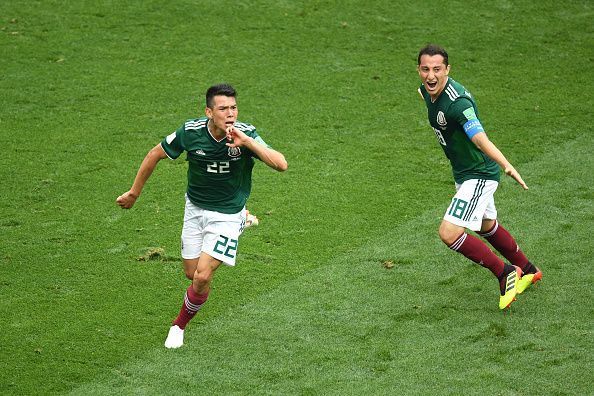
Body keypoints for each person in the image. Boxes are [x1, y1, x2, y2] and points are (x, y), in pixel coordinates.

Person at [116, 83, 287, 347]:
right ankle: (244, 221)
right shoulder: (191, 132)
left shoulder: (246, 134)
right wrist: (133, 193)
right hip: (195, 209)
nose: (230, 114)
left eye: (234, 107)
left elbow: (281, 164)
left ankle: (178, 325)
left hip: (227, 214)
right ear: (209, 112)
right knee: (191, 273)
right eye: (223, 108)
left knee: (203, 277)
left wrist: (248, 143)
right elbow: (154, 154)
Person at [416, 44, 542, 309]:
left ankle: (504, 272)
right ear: (419, 70)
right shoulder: (426, 92)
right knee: (486, 225)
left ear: (447, 70)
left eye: (437, 69)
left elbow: (479, 137)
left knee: (449, 232)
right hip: (465, 172)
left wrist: (507, 165)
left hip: (479, 174)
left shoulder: (458, 104)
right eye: (426, 69)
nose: (431, 75)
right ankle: (528, 269)